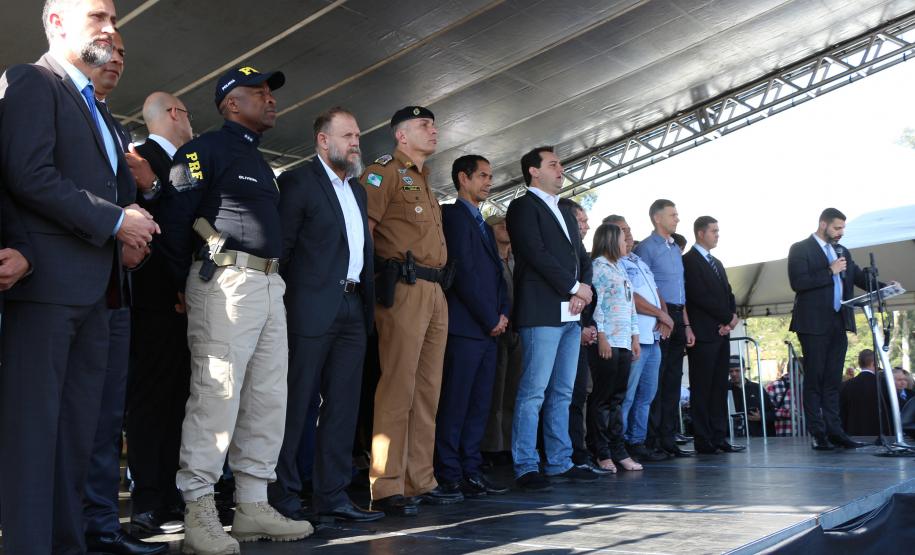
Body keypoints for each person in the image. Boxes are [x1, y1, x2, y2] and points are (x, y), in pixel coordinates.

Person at [0, 1, 160, 551]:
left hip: (98, 292)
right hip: (45, 290)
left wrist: (128, 237)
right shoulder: (30, 83)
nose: (111, 28)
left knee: (76, 439)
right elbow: (28, 173)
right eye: (96, 16)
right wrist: (116, 221)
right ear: (55, 22)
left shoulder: (98, 107)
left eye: (112, 17)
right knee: (33, 438)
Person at [157, 66, 313, 552]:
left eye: (271, 94)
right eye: (258, 94)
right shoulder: (202, 150)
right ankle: (200, 508)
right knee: (216, 395)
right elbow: (174, 220)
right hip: (223, 282)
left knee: (268, 398)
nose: (270, 100)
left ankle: (251, 504)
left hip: (267, 284)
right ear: (230, 104)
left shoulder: (256, 158)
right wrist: (180, 285)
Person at [267, 107, 381, 523]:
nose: (356, 143)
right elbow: (284, 249)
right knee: (295, 403)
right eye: (348, 135)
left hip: (353, 308)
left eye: (357, 136)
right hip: (308, 309)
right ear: (323, 140)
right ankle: (282, 496)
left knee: (343, 406)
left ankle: (331, 495)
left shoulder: (358, 189)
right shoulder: (297, 181)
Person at [81, 32, 169, 555]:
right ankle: (66, 526)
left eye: (123, 55)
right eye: (107, 50)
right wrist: (116, 225)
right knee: (72, 418)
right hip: (67, 285)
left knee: (107, 418)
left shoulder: (116, 128)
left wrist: (143, 210)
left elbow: (134, 196)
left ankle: (101, 528)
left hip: (115, 288)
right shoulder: (51, 105)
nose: (116, 59)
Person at [363, 106, 453, 516]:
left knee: (427, 390)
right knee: (398, 387)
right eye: (423, 125)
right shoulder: (382, 172)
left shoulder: (426, 180)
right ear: (400, 135)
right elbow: (364, 228)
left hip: (434, 289)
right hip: (403, 285)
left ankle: (421, 478)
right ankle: (386, 484)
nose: (433, 131)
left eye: (433, 125)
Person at [506, 146, 598, 491]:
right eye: (553, 164)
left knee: (562, 391)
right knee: (534, 391)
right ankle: (526, 464)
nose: (561, 169)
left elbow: (582, 257)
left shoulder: (563, 209)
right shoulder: (521, 207)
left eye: (560, 164)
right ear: (533, 171)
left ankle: (560, 461)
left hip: (571, 313)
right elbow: (535, 253)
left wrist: (583, 289)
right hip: (542, 310)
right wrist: (574, 286)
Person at [127, 91, 195, 536]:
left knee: (178, 403)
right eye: (188, 114)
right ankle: (147, 500)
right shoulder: (137, 158)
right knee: (149, 405)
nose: (192, 124)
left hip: (189, 301)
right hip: (152, 301)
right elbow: (137, 227)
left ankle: (170, 494)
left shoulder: (192, 165)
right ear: (173, 113)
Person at [434, 154, 511, 499]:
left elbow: (497, 275)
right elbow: (463, 273)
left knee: (480, 403)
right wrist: (489, 317)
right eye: (482, 176)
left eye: (490, 176)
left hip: (489, 329)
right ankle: (449, 471)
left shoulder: (481, 219)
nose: (488, 182)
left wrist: (503, 313)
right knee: (456, 402)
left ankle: (471, 468)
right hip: (466, 327)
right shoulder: (453, 215)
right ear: (463, 179)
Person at [788, 208, 884, 451]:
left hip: (838, 323)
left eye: (843, 228)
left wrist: (886, 287)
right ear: (823, 224)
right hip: (812, 324)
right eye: (837, 228)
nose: (841, 233)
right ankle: (818, 433)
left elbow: (859, 279)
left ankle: (836, 432)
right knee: (815, 378)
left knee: (833, 380)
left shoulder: (843, 252)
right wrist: (829, 270)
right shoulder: (801, 249)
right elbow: (798, 283)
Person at [633, 200, 696, 458]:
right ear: (657, 218)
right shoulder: (646, 248)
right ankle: (652, 439)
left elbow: (681, 289)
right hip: (660, 315)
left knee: (672, 380)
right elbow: (642, 287)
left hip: (678, 313)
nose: (677, 219)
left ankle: (669, 438)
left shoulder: (673, 249)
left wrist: (687, 323)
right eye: (673, 215)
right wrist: (661, 315)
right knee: (655, 381)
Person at [608, 215, 672, 463]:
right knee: (628, 395)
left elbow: (656, 292)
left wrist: (664, 315)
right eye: (622, 230)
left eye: (629, 228)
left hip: (653, 337)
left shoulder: (638, 260)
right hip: (633, 337)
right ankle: (619, 444)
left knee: (647, 395)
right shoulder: (615, 264)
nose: (629, 233)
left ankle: (637, 441)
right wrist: (659, 314)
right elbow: (631, 297)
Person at [682, 216, 744, 454]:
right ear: (700, 233)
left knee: (719, 386)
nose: (718, 234)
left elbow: (728, 294)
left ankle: (720, 436)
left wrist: (731, 318)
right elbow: (698, 295)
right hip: (704, 332)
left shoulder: (716, 262)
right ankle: (703, 438)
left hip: (721, 332)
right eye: (713, 231)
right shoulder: (689, 261)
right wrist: (726, 318)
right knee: (702, 387)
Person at [587, 223, 642, 473]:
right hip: (607, 340)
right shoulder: (598, 267)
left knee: (618, 399)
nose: (626, 243)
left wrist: (635, 336)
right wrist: (601, 335)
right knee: (602, 399)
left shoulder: (620, 268)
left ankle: (619, 449)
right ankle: (602, 452)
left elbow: (630, 305)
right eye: (622, 239)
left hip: (624, 341)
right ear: (610, 240)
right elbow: (595, 304)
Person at [558, 197, 602, 472]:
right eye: (582, 220)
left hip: (581, 332)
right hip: (568, 330)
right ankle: (571, 454)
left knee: (580, 396)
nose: (587, 226)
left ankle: (579, 452)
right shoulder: (564, 253)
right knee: (568, 396)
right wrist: (579, 327)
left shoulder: (581, 254)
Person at [481, 214, 522, 460]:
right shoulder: (489, 258)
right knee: (494, 390)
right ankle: (491, 447)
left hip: (516, 330)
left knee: (512, 390)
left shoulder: (516, 260)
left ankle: (506, 444)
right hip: (495, 329)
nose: (506, 228)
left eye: (509, 223)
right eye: (499, 224)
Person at [839, 349, 889, 437]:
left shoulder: (847, 385)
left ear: (860, 364)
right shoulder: (883, 384)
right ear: (874, 363)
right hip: (879, 435)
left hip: (853, 433)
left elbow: (842, 411)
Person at [728, 356, 774, 437]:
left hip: (757, 437)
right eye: (731, 371)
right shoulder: (723, 390)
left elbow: (772, 413)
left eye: (737, 370)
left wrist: (761, 417)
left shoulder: (757, 388)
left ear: (744, 369)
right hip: (731, 437)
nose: (734, 374)